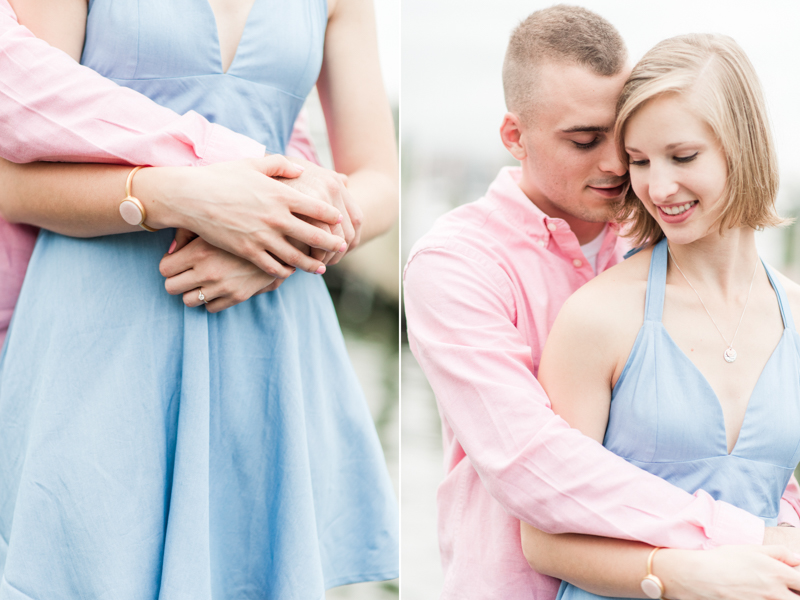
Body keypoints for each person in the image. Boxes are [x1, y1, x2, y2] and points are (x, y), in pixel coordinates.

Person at [0, 0, 398, 597]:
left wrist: (277, 244)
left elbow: (380, 181)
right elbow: (9, 179)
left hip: (267, 321)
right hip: (100, 330)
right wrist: (174, 198)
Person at [403, 6, 800, 600]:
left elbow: (747, 460)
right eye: (586, 141)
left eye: (624, 143)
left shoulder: (666, 242)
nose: (618, 167)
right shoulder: (456, 265)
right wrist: (733, 543)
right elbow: (533, 463)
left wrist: (778, 532)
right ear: (515, 137)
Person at [520, 32, 800, 600]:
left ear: (741, 148)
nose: (658, 186)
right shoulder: (597, 317)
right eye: (640, 161)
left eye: (683, 156)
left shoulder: (794, 312)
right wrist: (674, 576)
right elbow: (543, 540)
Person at [0, 0, 350, 349]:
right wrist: (176, 196)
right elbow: (14, 184)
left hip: (272, 308)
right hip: (101, 312)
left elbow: (376, 180)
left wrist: (289, 239)